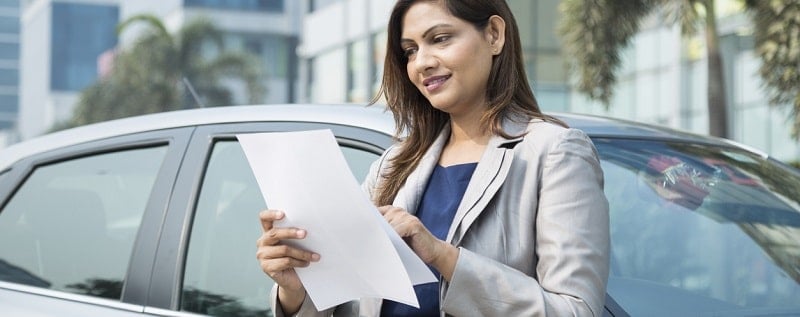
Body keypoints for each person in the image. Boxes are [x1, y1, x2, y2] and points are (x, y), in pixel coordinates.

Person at [256, 0, 610, 315]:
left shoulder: (553, 152)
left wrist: (443, 256)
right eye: (410, 50)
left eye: (440, 39)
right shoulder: (392, 166)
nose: (422, 63)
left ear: (494, 35)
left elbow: (575, 310)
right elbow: (351, 301)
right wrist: (297, 290)